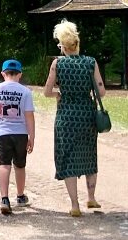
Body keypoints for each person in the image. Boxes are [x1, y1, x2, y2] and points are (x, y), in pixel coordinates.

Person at [43, 19, 106, 217]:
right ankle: (91, 197)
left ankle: (74, 205)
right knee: (89, 154)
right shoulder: (90, 62)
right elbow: (101, 91)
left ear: (63, 44)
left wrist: (58, 94)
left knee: (68, 157)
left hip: (66, 116)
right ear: (77, 42)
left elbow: (47, 91)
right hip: (87, 115)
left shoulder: (57, 64)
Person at [0, 59, 35, 215]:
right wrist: (31, 136)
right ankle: (20, 196)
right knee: (20, 165)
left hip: (2, 132)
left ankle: (4, 199)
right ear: (20, 74)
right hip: (20, 133)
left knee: (4, 165)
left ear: (3, 73)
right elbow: (29, 116)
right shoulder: (25, 91)